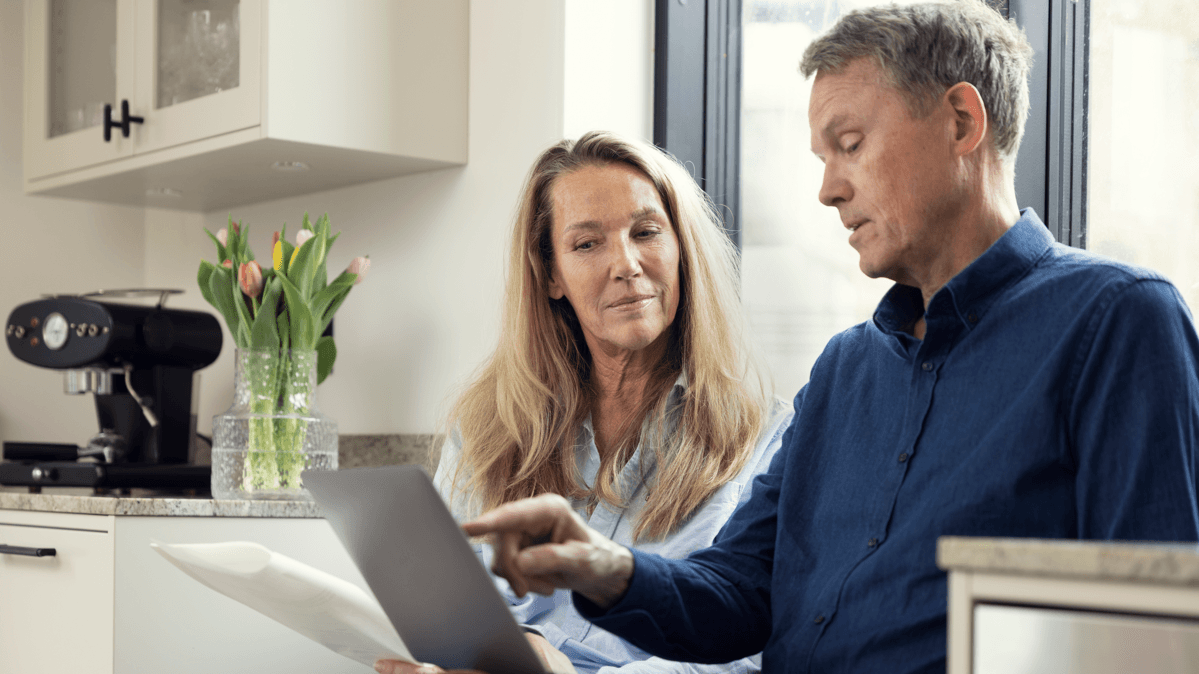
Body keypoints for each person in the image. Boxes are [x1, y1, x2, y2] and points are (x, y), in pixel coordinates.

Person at [381, 2, 1199, 674]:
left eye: (849, 145)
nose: (826, 189)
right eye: (821, 156)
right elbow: (738, 595)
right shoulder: (844, 369)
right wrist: (606, 567)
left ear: (959, 121)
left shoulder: (1114, 320)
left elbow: (1150, 640)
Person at [380, 131, 793, 674]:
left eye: (646, 232)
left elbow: (748, 651)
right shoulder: (489, 426)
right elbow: (445, 605)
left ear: (682, 249)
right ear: (551, 274)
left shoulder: (767, 437)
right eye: (587, 244)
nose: (626, 263)